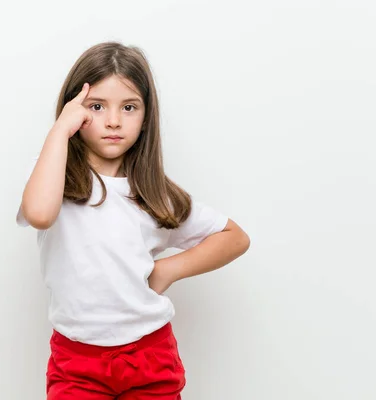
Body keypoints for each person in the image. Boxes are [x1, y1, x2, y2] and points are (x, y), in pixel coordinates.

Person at [16, 41, 251, 400]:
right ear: (74, 110)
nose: (113, 120)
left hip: (149, 355)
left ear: (145, 118)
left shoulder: (153, 193)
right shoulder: (53, 173)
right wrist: (60, 132)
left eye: (128, 107)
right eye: (96, 107)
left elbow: (235, 237)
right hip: (76, 361)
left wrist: (168, 270)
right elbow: (39, 214)